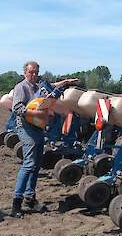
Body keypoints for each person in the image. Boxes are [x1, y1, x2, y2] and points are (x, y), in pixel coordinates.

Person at [10, 61, 78, 218]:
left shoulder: (38, 86)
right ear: (25, 73)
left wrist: (66, 82)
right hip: (26, 128)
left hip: (38, 128)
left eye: (36, 72)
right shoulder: (21, 87)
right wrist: (39, 114)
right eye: (31, 72)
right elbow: (17, 108)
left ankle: (30, 197)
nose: (34, 75)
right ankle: (16, 203)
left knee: (36, 164)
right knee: (29, 164)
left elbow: (52, 85)